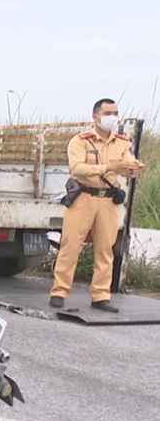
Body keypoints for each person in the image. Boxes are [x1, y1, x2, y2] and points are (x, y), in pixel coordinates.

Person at [50, 98, 146, 313]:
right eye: (108, 113)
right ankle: (59, 291)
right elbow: (77, 169)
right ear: (96, 117)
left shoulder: (122, 142)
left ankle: (101, 295)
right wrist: (109, 167)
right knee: (70, 246)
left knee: (105, 249)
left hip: (108, 201)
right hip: (83, 198)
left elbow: (127, 166)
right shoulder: (80, 141)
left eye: (115, 112)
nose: (113, 117)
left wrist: (133, 168)